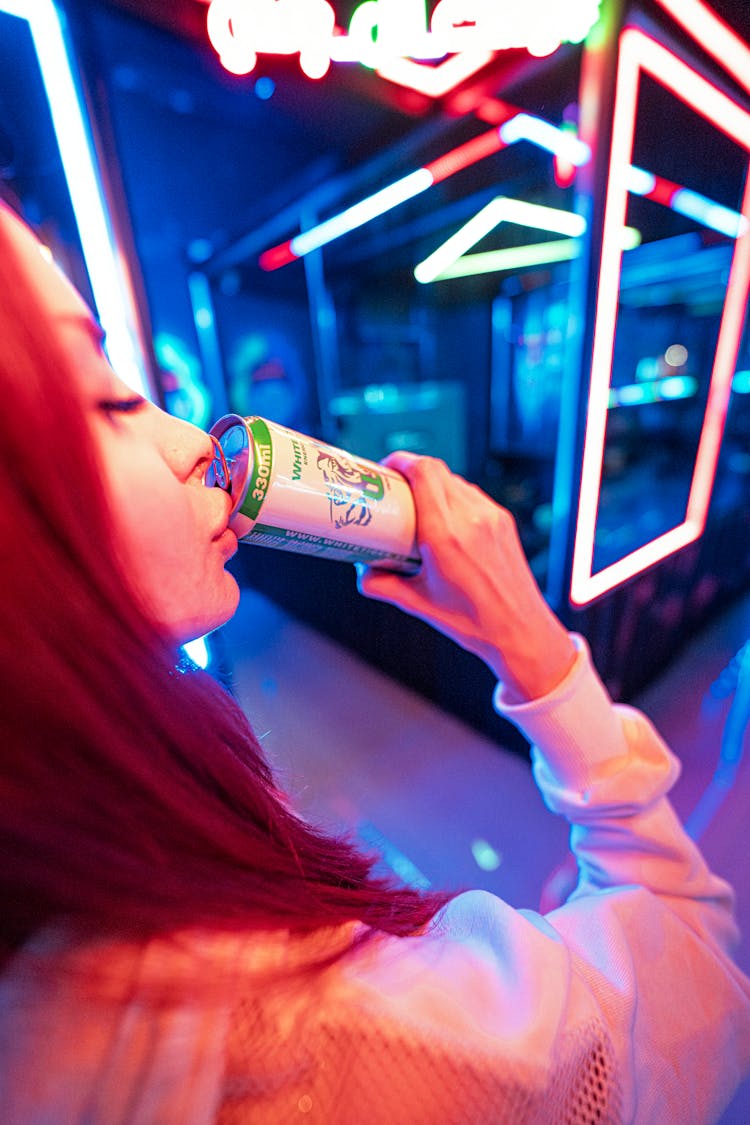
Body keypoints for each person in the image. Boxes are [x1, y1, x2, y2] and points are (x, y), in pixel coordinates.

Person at [0, 197, 748, 1125]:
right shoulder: (316, 1037)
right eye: (108, 397)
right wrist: (537, 648)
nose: (196, 441)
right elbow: (700, 976)